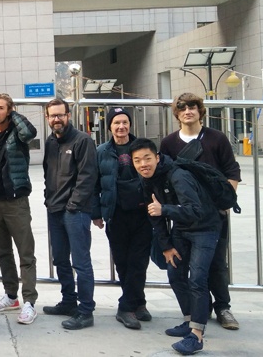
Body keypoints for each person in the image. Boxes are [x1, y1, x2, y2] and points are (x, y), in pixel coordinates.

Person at [131, 138, 221, 355]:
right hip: (181, 229)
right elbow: (154, 215)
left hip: (205, 228)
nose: (143, 164)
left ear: (157, 158)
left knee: (197, 279)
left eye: (147, 158)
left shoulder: (178, 176)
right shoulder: (146, 180)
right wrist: (166, 246)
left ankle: (197, 335)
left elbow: (195, 210)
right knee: (175, 274)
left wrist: (166, 210)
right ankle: (190, 320)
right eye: (137, 160)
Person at [159, 92, 241, 330]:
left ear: (200, 110)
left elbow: (232, 172)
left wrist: (224, 202)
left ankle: (223, 307)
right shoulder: (169, 143)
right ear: (177, 113)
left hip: (214, 215)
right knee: (181, 268)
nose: (188, 111)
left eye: (193, 107)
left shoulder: (216, 139)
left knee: (217, 263)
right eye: (182, 108)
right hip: (184, 216)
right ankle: (196, 312)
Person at [0, 93, 40, 325]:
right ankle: (11, 295)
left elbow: (31, 133)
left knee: (25, 253)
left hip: (15, 200)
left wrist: (14, 116)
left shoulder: (18, 132)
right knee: (2, 252)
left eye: (1, 108)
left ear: (10, 110)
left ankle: (30, 302)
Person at [42, 98, 98, 330]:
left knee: (81, 262)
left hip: (75, 211)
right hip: (54, 209)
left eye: (60, 115)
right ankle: (68, 301)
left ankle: (85, 311)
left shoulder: (82, 140)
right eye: (52, 116)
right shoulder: (50, 141)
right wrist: (49, 199)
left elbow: (87, 177)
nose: (57, 119)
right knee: (60, 259)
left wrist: (73, 206)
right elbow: (48, 173)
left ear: (68, 115)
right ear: (47, 118)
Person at [93, 107, 152, 329]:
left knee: (139, 261)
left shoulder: (142, 147)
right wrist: (96, 213)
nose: (121, 127)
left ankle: (127, 307)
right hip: (115, 214)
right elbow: (95, 183)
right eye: (116, 122)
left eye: (125, 122)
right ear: (110, 126)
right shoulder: (101, 151)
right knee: (123, 262)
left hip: (142, 213)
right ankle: (137, 302)